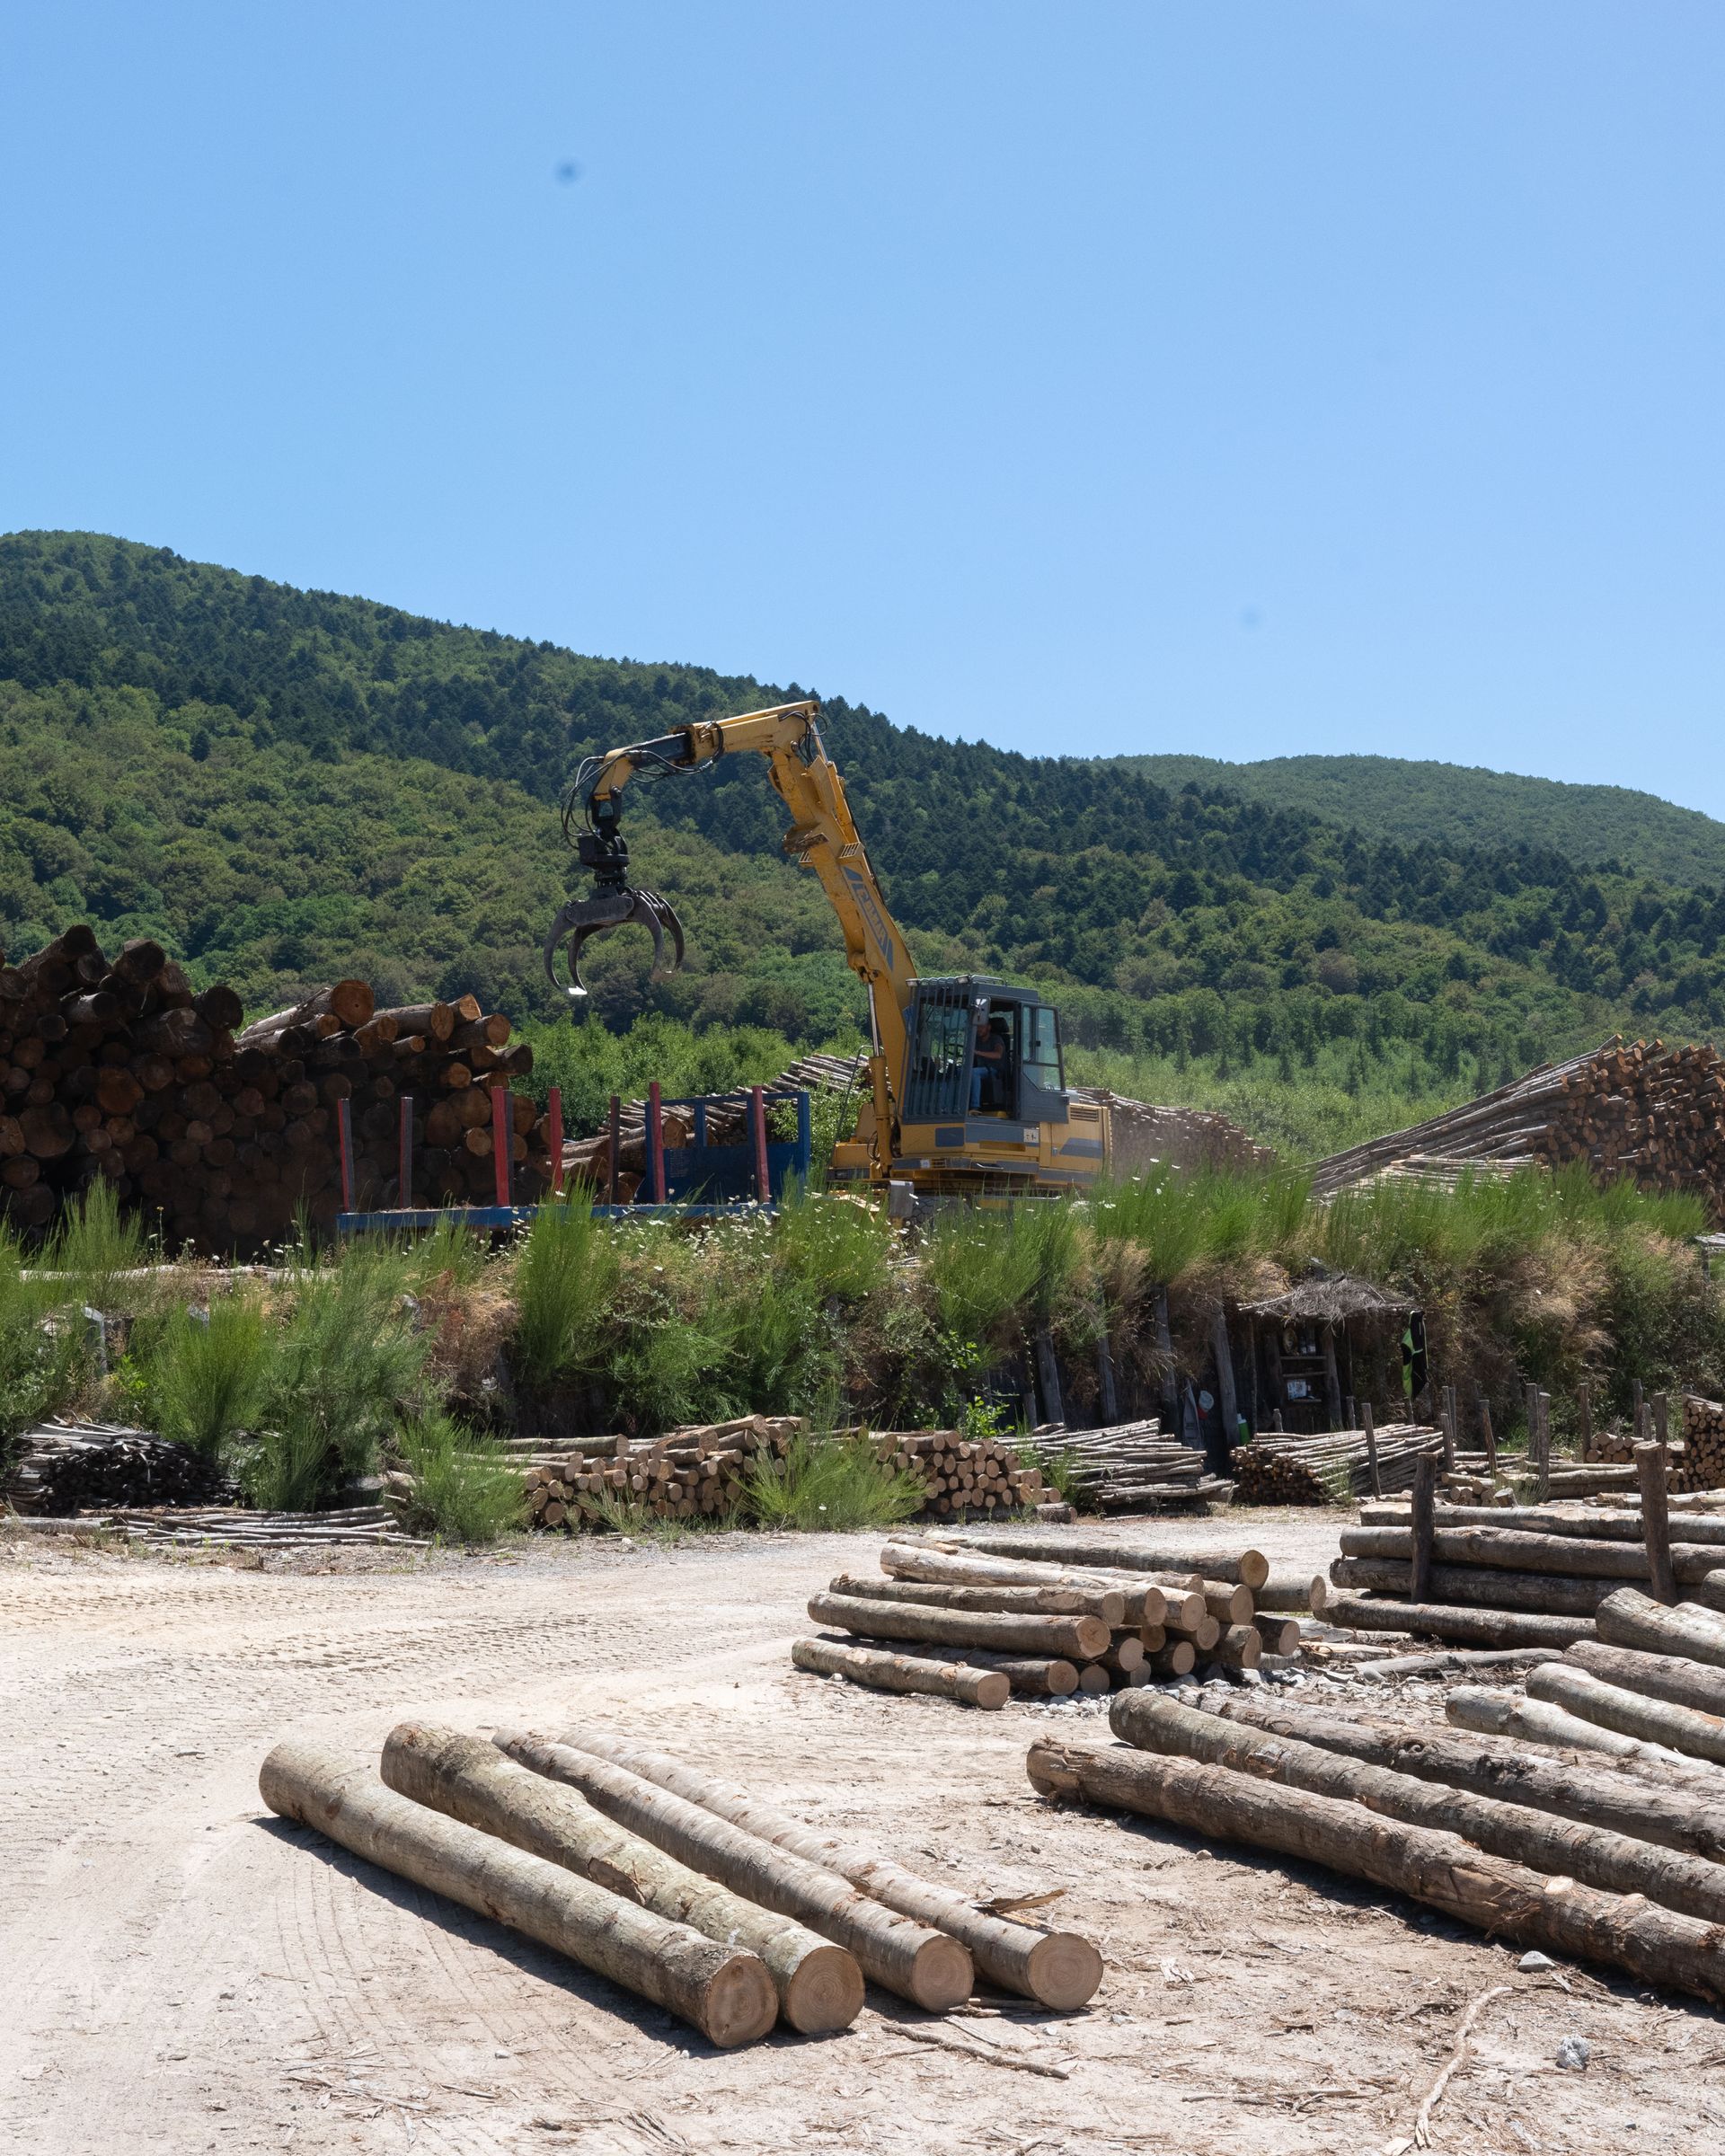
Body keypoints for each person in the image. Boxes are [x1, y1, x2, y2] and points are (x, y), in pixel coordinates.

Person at [970, 1014, 1011, 1110]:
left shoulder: (996, 1039)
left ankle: (974, 1106)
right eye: (977, 1026)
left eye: (981, 1026)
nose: (978, 1029)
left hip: (994, 1070)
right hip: (980, 1069)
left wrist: (977, 1052)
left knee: (973, 1073)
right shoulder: (976, 1040)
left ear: (989, 1027)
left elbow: (998, 1054)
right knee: (955, 1072)